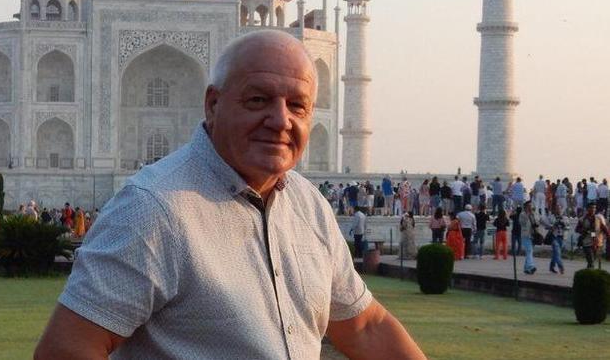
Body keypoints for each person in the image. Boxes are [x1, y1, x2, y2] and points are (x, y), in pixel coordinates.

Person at [34, 31, 425, 360]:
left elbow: (365, 326)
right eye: (258, 100)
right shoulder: (155, 209)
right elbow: (67, 351)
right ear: (213, 104)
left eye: (297, 106)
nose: (279, 120)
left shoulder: (308, 205)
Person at [576, 202, 608, 269]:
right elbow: (577, 229)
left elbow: (605, 229)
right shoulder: (582, 219)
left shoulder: (598, 219)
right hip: (586, 242)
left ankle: (588, 275)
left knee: (591, 261)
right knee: (591, 262)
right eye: (591, 208)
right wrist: (583, 231)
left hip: (596, 243)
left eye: (594, 208)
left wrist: (608, 236)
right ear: (587, 209)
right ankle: (590, 274)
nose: (593, 209)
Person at [541, 204, 568, 274]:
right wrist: (551, 226)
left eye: (559, 208)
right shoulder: (551, 217)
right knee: (557, 252)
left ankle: (551, 266)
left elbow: (568, 227)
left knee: (556, 253)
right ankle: (561, 266)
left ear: (561, 209)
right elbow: (543, 222)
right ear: (554, 210)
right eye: (557, 209)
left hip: (562, 237)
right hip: (554, 236)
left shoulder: (564, 218)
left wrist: (564, 225)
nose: (558, 210)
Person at [518, 201, 538, 274]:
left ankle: (526, 268)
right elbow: (522, 223)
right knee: (529, 250)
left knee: (529, 252)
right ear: (525, 207)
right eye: (528, 206)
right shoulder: (522, 215)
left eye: (531, 206)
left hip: (533, 235)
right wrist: (528, 215)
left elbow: (538, 221)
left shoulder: (534, 214)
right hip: (525, 235)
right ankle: (531, 266)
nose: (530, 207)